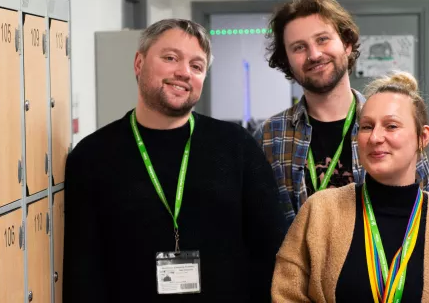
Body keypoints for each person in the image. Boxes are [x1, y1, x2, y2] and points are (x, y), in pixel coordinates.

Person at [63, 19, 289, 302]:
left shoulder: (237, 146)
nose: (184, 72)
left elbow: (271, 248)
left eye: (196, 66)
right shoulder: (92, 156)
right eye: (170, 58)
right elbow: (82, 267)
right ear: (139, 63)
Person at [270, 71, 429, 302]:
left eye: (391, 126)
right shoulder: (320, 212)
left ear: (422, 137)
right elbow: (286, 292)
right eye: (366, 126)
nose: (375, 137)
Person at [253, 0, 429, 222]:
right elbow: (257, 225)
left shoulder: (392, 128)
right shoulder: (270, 136)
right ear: (287, 60)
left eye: (322, 39)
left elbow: (427, 214)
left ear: (347, 44)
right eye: (299, 47)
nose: (314, 54)